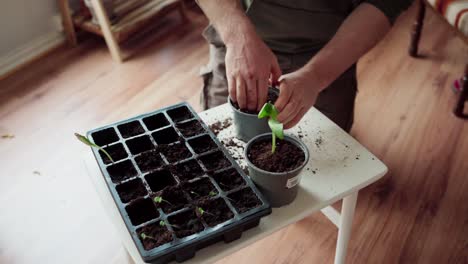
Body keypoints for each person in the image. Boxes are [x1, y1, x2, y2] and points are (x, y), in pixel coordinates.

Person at [196, 0, 413, 132]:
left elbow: (386, 3)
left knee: (319, 167)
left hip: (328, 52)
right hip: (235, 40)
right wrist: (238, 37)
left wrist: (315, 77)